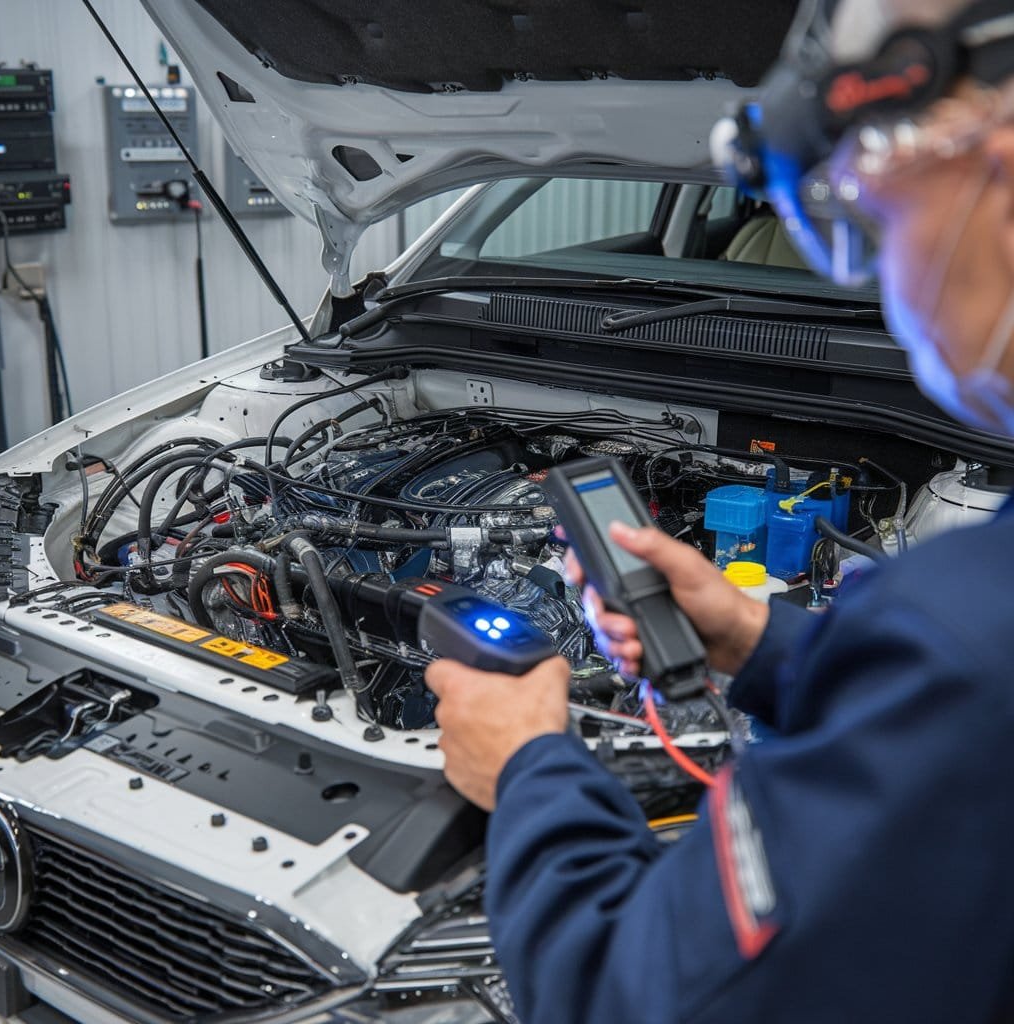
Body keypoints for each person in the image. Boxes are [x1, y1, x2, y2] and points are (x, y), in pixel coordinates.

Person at [425, 0, 1014, 1020]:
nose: (881, 280)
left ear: (996, 173)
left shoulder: (964, 635)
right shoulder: (961, 641)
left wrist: (527, 764)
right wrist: (762, 639)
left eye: (871, 220)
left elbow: (629, 992)